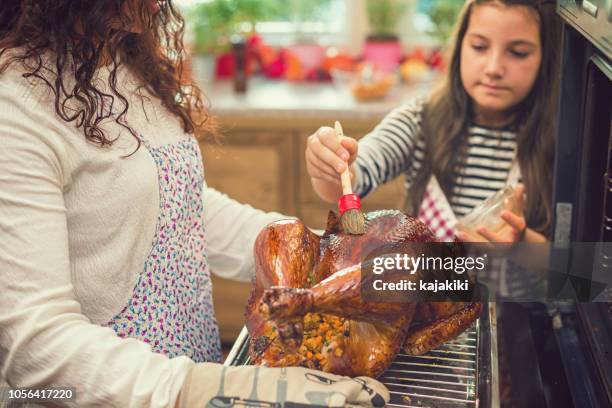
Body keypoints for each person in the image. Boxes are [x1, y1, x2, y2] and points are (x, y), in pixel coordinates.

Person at [0, 1, 388, 407]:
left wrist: (326, 255)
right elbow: (33, 340)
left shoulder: (120, 57)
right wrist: (192, 388)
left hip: (190, 368)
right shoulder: (16, 105)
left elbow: (176, 207)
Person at [306, 0, 559, 245]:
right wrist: (330, 164)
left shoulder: (559, 137)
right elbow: (354, 175)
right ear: (460, 47)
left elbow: (566, 266)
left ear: (546, 58)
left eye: (518, 53)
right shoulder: (420, 120)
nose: (494, 68)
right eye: (480, 47)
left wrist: (522, 245)